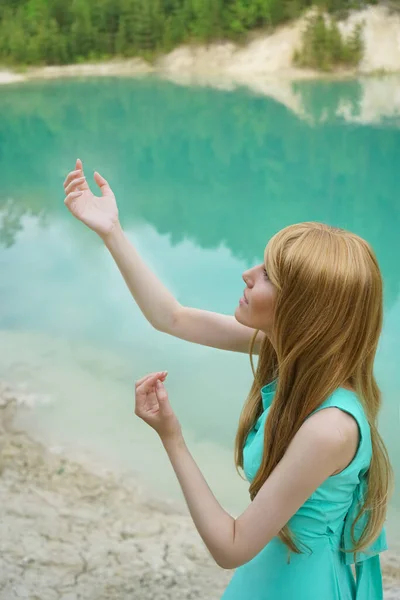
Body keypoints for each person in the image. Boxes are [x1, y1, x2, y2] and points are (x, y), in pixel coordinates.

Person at [63, 158, 393, 600]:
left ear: (304, 309)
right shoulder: (289, 354)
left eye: (268, 275)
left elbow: (231, 545)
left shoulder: (330, 428)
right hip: (269, 578)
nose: (248, 274)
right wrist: (111, 231)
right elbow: (172, 317)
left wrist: (172, 437)